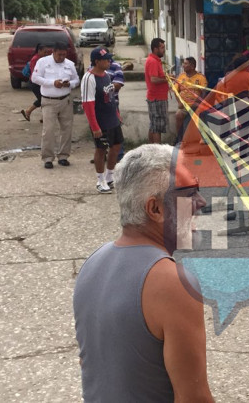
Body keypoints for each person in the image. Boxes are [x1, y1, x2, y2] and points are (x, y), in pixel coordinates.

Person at [73, 144, 214, 402]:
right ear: (155, 209)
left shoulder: (92, 263)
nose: (201, 202)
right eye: (188, 193)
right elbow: (193, 398)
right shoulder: (173, 283)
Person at [80, 47, 122, 194]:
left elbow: (110, 97)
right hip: (101, 121)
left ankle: (110, 177)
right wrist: (95, 127)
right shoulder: (89, 78)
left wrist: (117, 114)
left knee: (116, 147)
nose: (109, 61)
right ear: (97, 61)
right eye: (106, 59)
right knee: (101, 149)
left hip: (112, 119)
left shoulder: (106, 75)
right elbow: (88, 104)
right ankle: (100, 180)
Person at [31, 42, 80, 169]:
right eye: (59, 54)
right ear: (53, 51)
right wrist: (53, 83)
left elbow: (77, 80)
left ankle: (63, 156)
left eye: (64, 54)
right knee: (48, 130)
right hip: (49, 101)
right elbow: (35, 78)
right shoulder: (43, 62)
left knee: (66, 129)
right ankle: (47, 158)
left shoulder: (69, 64)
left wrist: (70, 84)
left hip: (65, 100)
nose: (61, 57)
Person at [174, 57, 207, 142]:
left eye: (185, 64)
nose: (183, 65)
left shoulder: (200, 77)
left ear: (192, 66)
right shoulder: (181, 76)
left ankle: (203, 138)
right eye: (183, 63)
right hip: (184, 105)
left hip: (196, 105)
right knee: (178, 115)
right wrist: (179, 102)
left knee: (202, 113)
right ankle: (180, 139)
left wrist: (199, 103)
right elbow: (175, 91)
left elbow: (204, 92)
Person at [145, 37, 170, 144]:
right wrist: (167, 78)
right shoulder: (153, 62)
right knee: (157, 127)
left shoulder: (155, 61)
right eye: (162, 48)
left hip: (157, 97)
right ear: (155, 49)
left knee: (154, 125)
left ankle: (151, 148)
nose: (164, 50)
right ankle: (157, 150)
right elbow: (154, 79)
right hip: (157, 98)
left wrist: (166, 77)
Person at [20, 43, 52, 122]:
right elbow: (36, 73)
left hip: (40, 83)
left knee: (43, 99)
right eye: (45, 52)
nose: (46, 54)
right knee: (43, 99)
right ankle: (29, 112)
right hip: (35, 83)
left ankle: (42, 116)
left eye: (47, 52)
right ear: (39, 51)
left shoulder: (42, 58)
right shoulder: (35, 59)